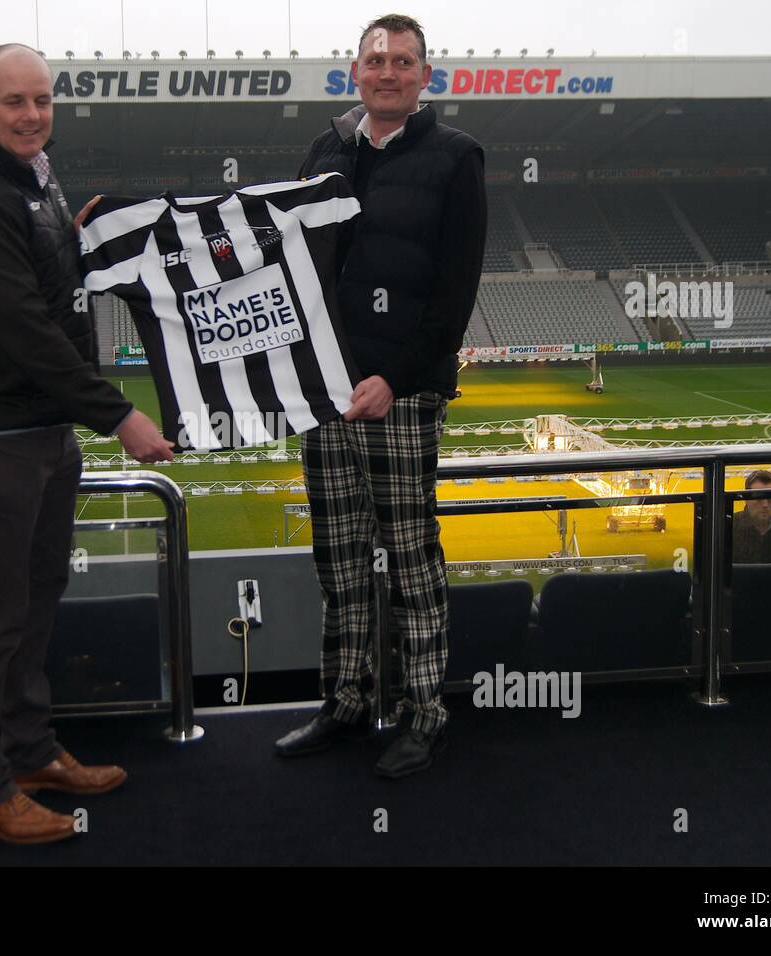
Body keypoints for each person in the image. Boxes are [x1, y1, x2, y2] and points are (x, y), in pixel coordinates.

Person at [0, 43, 173, 845]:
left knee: (33, 607)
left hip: (41, 430)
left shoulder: (32, 176)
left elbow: (50, 280)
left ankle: (29, 753)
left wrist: (82, 230)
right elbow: (27, 331)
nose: (32, 116)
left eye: (43, 101)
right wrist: (121, 417)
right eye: (14, 102)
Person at [274, 14, 487, 778]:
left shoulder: (458, 158)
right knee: (337, 559)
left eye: (403, 60)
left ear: (426, 75)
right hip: (327, 395)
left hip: (401, 395)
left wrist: (394, 378)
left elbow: (456, 291)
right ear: (353, 72)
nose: (388, 71)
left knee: (409, 557)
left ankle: (425, 712)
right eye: (375, 59)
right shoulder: (324, 151)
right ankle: (347, 699)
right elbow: (297, 266)